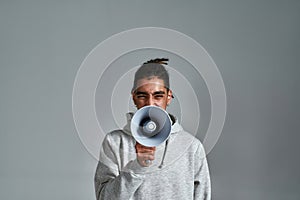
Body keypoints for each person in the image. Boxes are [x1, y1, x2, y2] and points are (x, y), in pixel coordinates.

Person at [94, 58, 211, 200]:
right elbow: (104, 198)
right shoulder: (114, 142)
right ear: (134, 97)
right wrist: (137, 167)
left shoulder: (192, 147)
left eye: (158, 96)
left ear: (169, 96)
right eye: (142, 95)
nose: (150, 103)